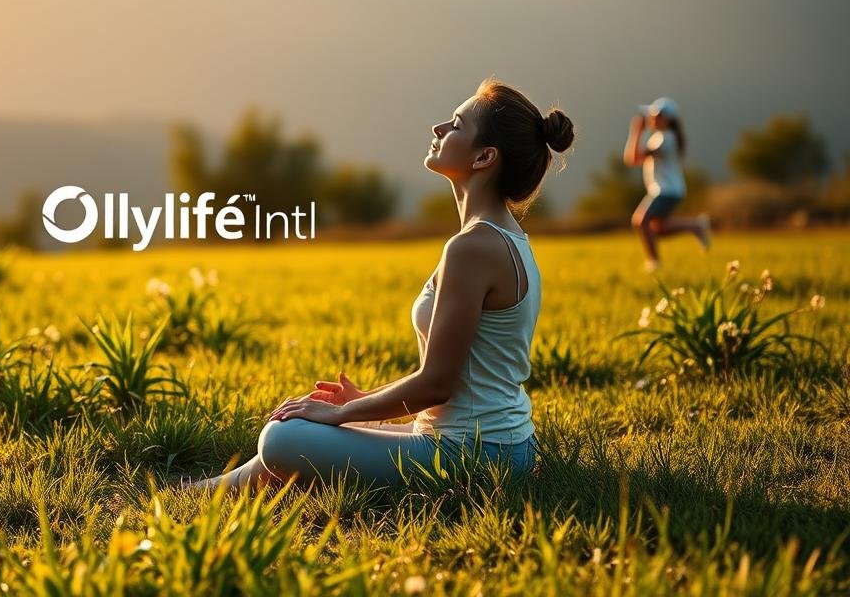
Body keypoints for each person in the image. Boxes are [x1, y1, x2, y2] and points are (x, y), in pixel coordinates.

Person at [188, 78, 570, 491]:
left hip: (474, 455)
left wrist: (343, 414)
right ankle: (208, 490)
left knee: (283, 437)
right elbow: (451, 380)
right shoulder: (502, 237)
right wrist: (361, 402)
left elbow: (436, 383)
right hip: (493, 443)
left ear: (484, 157)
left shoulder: (473, 247)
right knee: (299, 422)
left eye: (456, 125)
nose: (439, 129)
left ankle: (210, 490)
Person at [622, 97, 710, 272]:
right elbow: (633, 160)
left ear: (666, 119)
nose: (649, 119)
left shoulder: (665, 139)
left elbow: (632, 159)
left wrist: (636, 132)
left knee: (640, 222)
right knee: (658, 229)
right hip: (669, 190)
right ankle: (696, 226)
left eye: (654, 116)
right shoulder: (660, 138)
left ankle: (653, 263)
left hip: (665, 190)